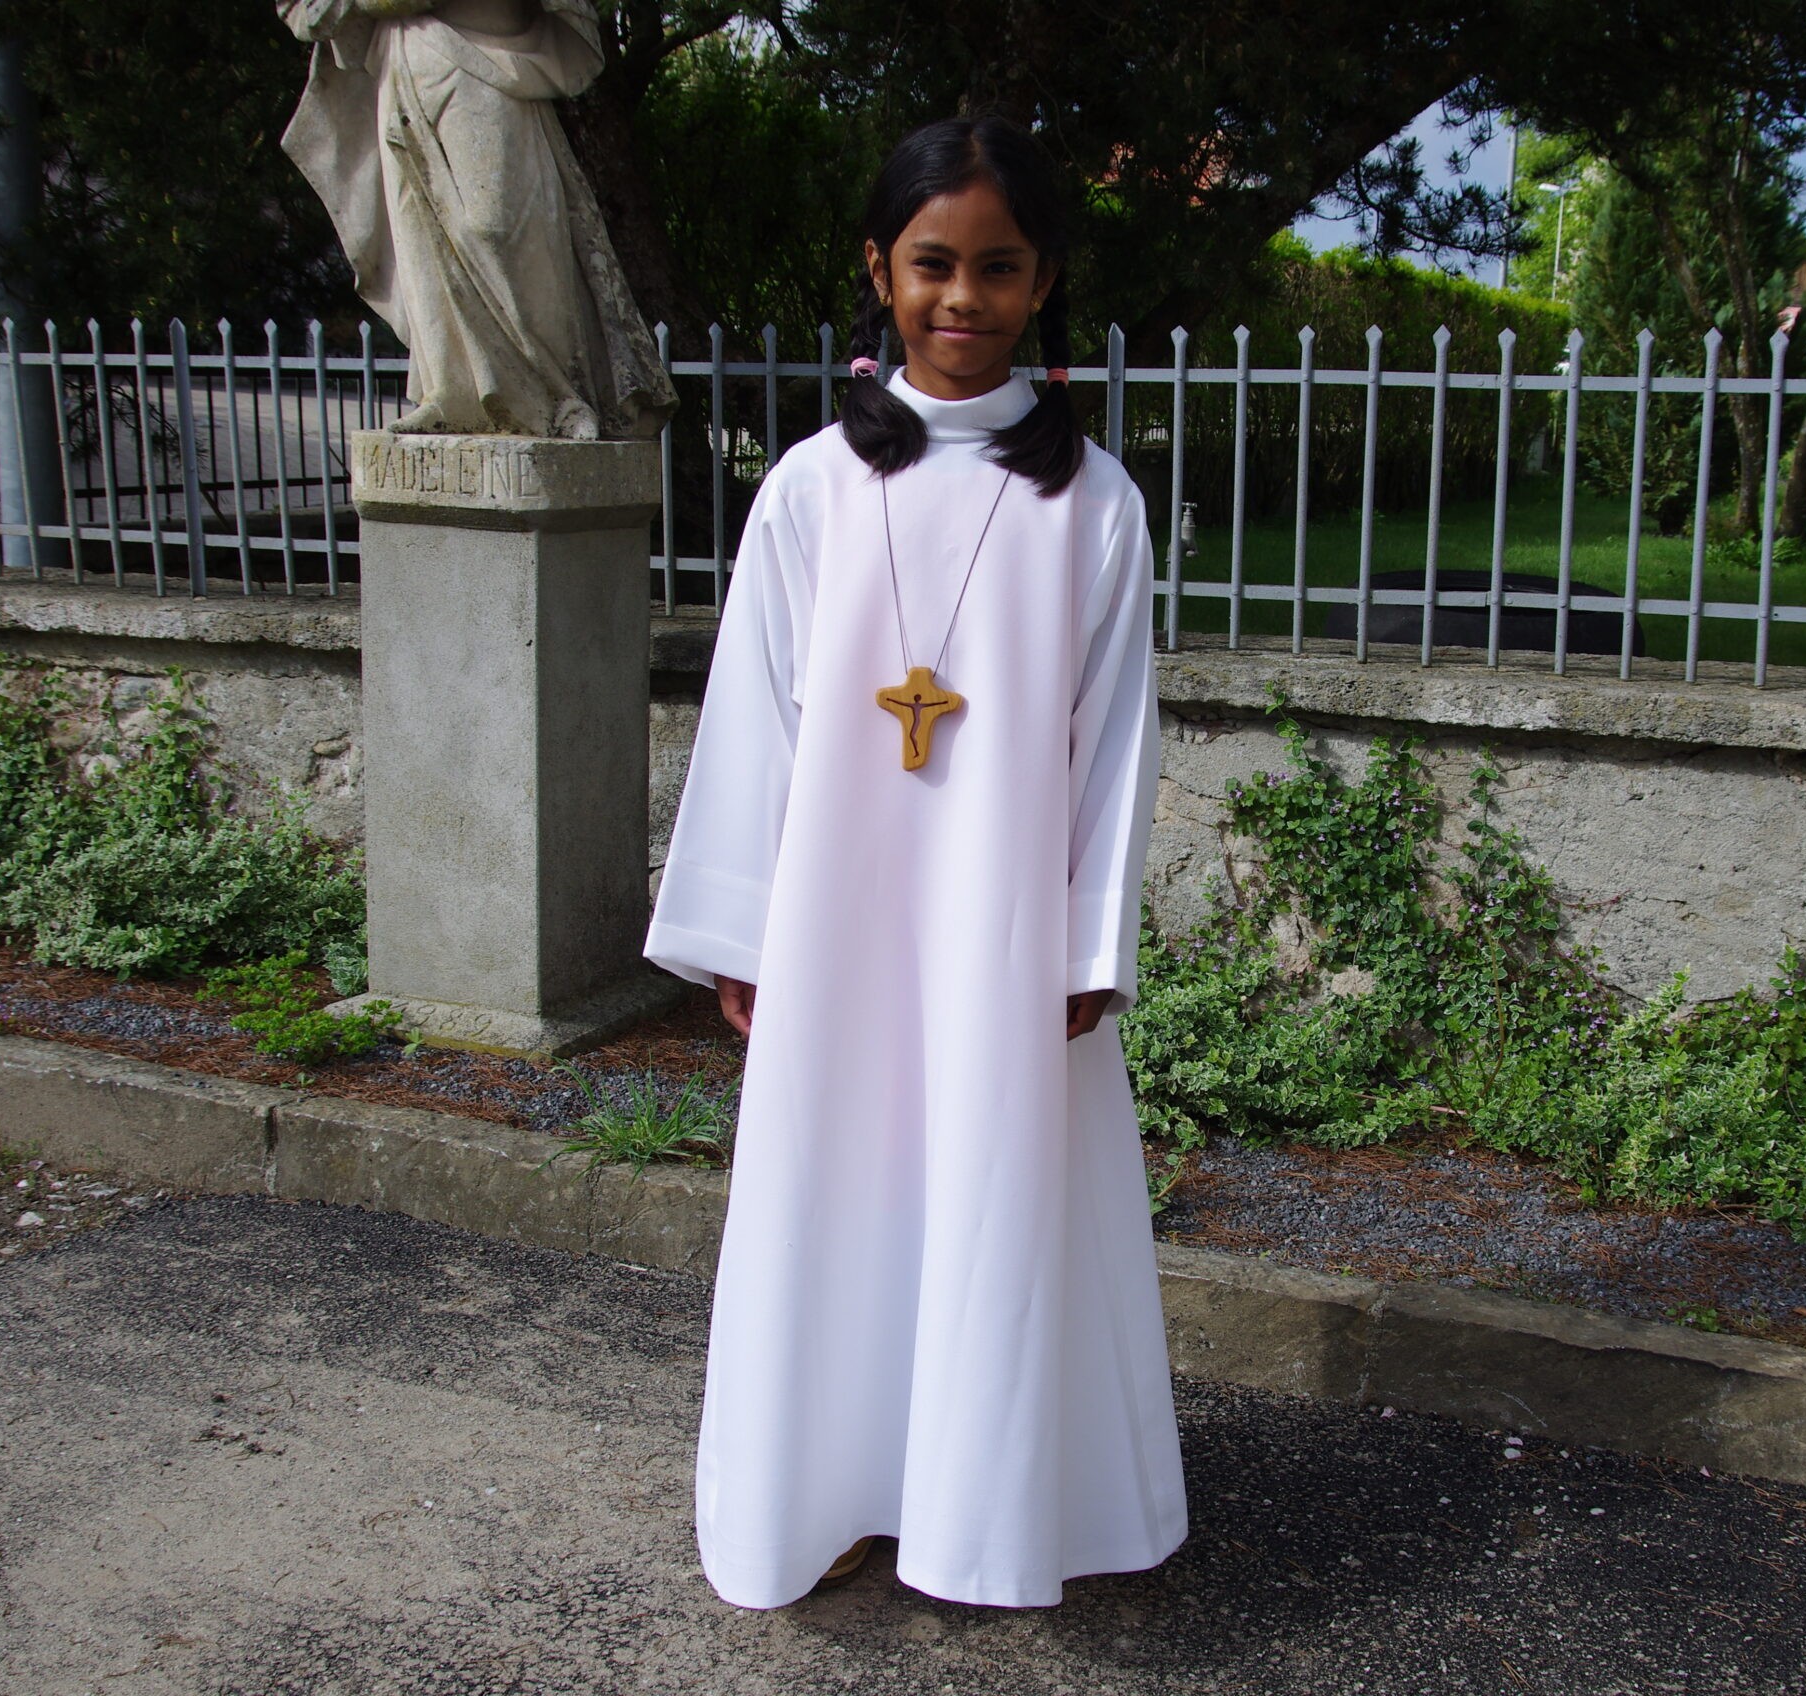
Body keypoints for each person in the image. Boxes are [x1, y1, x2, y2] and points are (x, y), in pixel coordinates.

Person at [643, 116, 1184, 1611]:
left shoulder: (1093, 503)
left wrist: (1087, 946)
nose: (963, 297)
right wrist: (743, 927)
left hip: (1005, 932)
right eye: (932, 264)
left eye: (998, 268)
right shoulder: (811, 488)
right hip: (840, 920)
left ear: (1043, 282)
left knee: (999, 1201)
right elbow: (752, 713)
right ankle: (825, 1490)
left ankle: (983, 1512)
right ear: (880, 271)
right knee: (838, 1191)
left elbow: (1115, 739)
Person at [278, 0, 673, 439]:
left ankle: (559, 396)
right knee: (420, 237)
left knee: (498, 228)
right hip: (402, 58)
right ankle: (449, 395)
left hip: (489, 51)